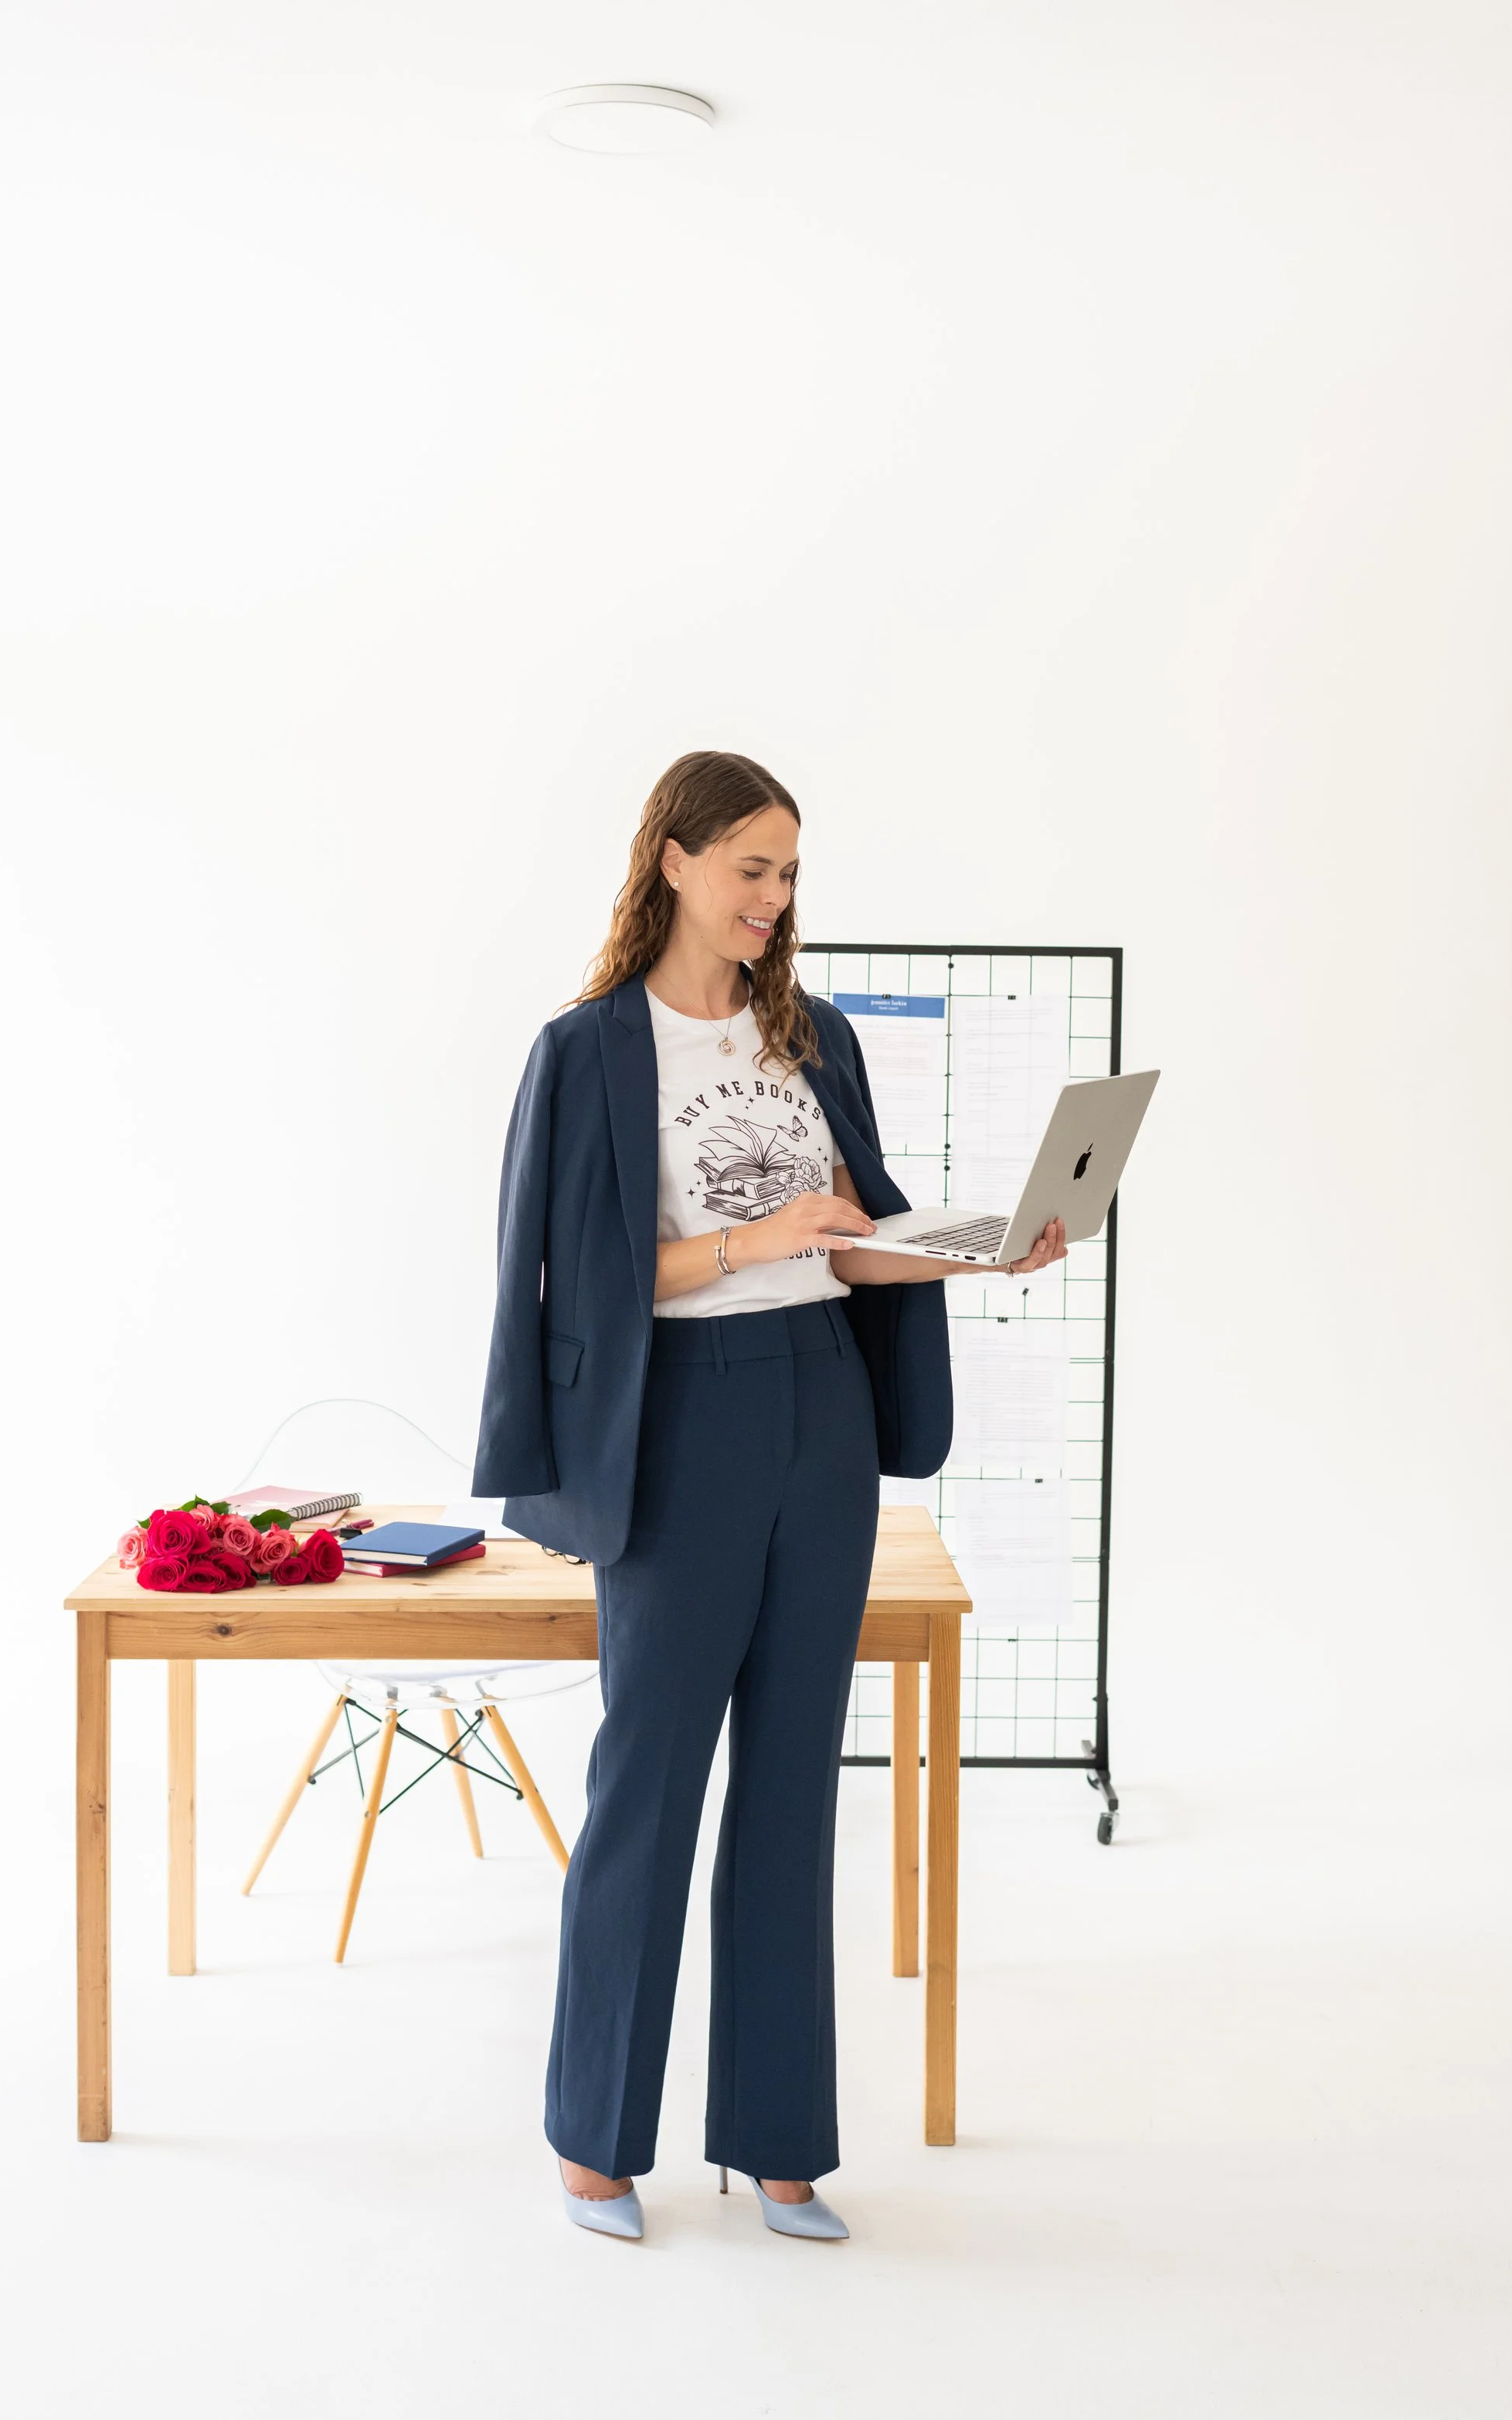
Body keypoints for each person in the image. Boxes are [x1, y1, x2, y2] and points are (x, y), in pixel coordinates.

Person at [474, 751, 1067, 2242]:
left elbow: (850, 1241)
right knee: (650, 1777)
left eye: (790, 872)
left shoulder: (815, 1036)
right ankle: (594, 2140)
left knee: (798, 1778)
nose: (773, 898)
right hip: (679, 1417)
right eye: (750, 866)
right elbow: (571, 1280)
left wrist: (974, 1251)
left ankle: (781, 2141)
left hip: (822, 1407)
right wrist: (753, 1242)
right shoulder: (590, 1050)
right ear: (671, 860)